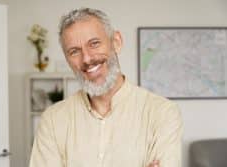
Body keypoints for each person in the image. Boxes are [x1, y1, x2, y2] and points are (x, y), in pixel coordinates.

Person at [29, 8, 183, 167]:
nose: (87, 59)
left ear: (116, 42)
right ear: (67, 59)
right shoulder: (53, 120)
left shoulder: (162, 113)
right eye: (74, 51)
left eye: (94, 43)